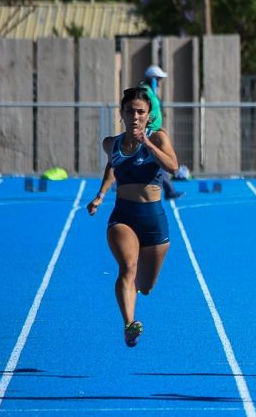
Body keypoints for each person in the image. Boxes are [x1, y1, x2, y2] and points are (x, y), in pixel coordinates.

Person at [86, 87, 180, 347]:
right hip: (123, 216)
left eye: (141, 111)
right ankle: (129, 324)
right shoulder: (111, 143)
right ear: (122, 114)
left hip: (154, 220)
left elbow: (173, 166)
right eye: (130, 111)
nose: (135, 116)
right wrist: (101, 195)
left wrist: (147, 143)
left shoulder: (159, 138)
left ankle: (135, 292)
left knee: (146, 286)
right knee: (128, 267)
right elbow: (112, 166)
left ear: (149, 116)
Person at [139, 65, 185, 200]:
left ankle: (168, 189)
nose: (160, 82)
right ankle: (168, 190)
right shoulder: (144, 91)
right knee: (157, 161)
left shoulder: (150, 91)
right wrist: (150, 128)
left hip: (154, 132)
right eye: (158, 79)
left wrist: (159, 127)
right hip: (149, 133)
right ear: (152, 79)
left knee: (156, 161)